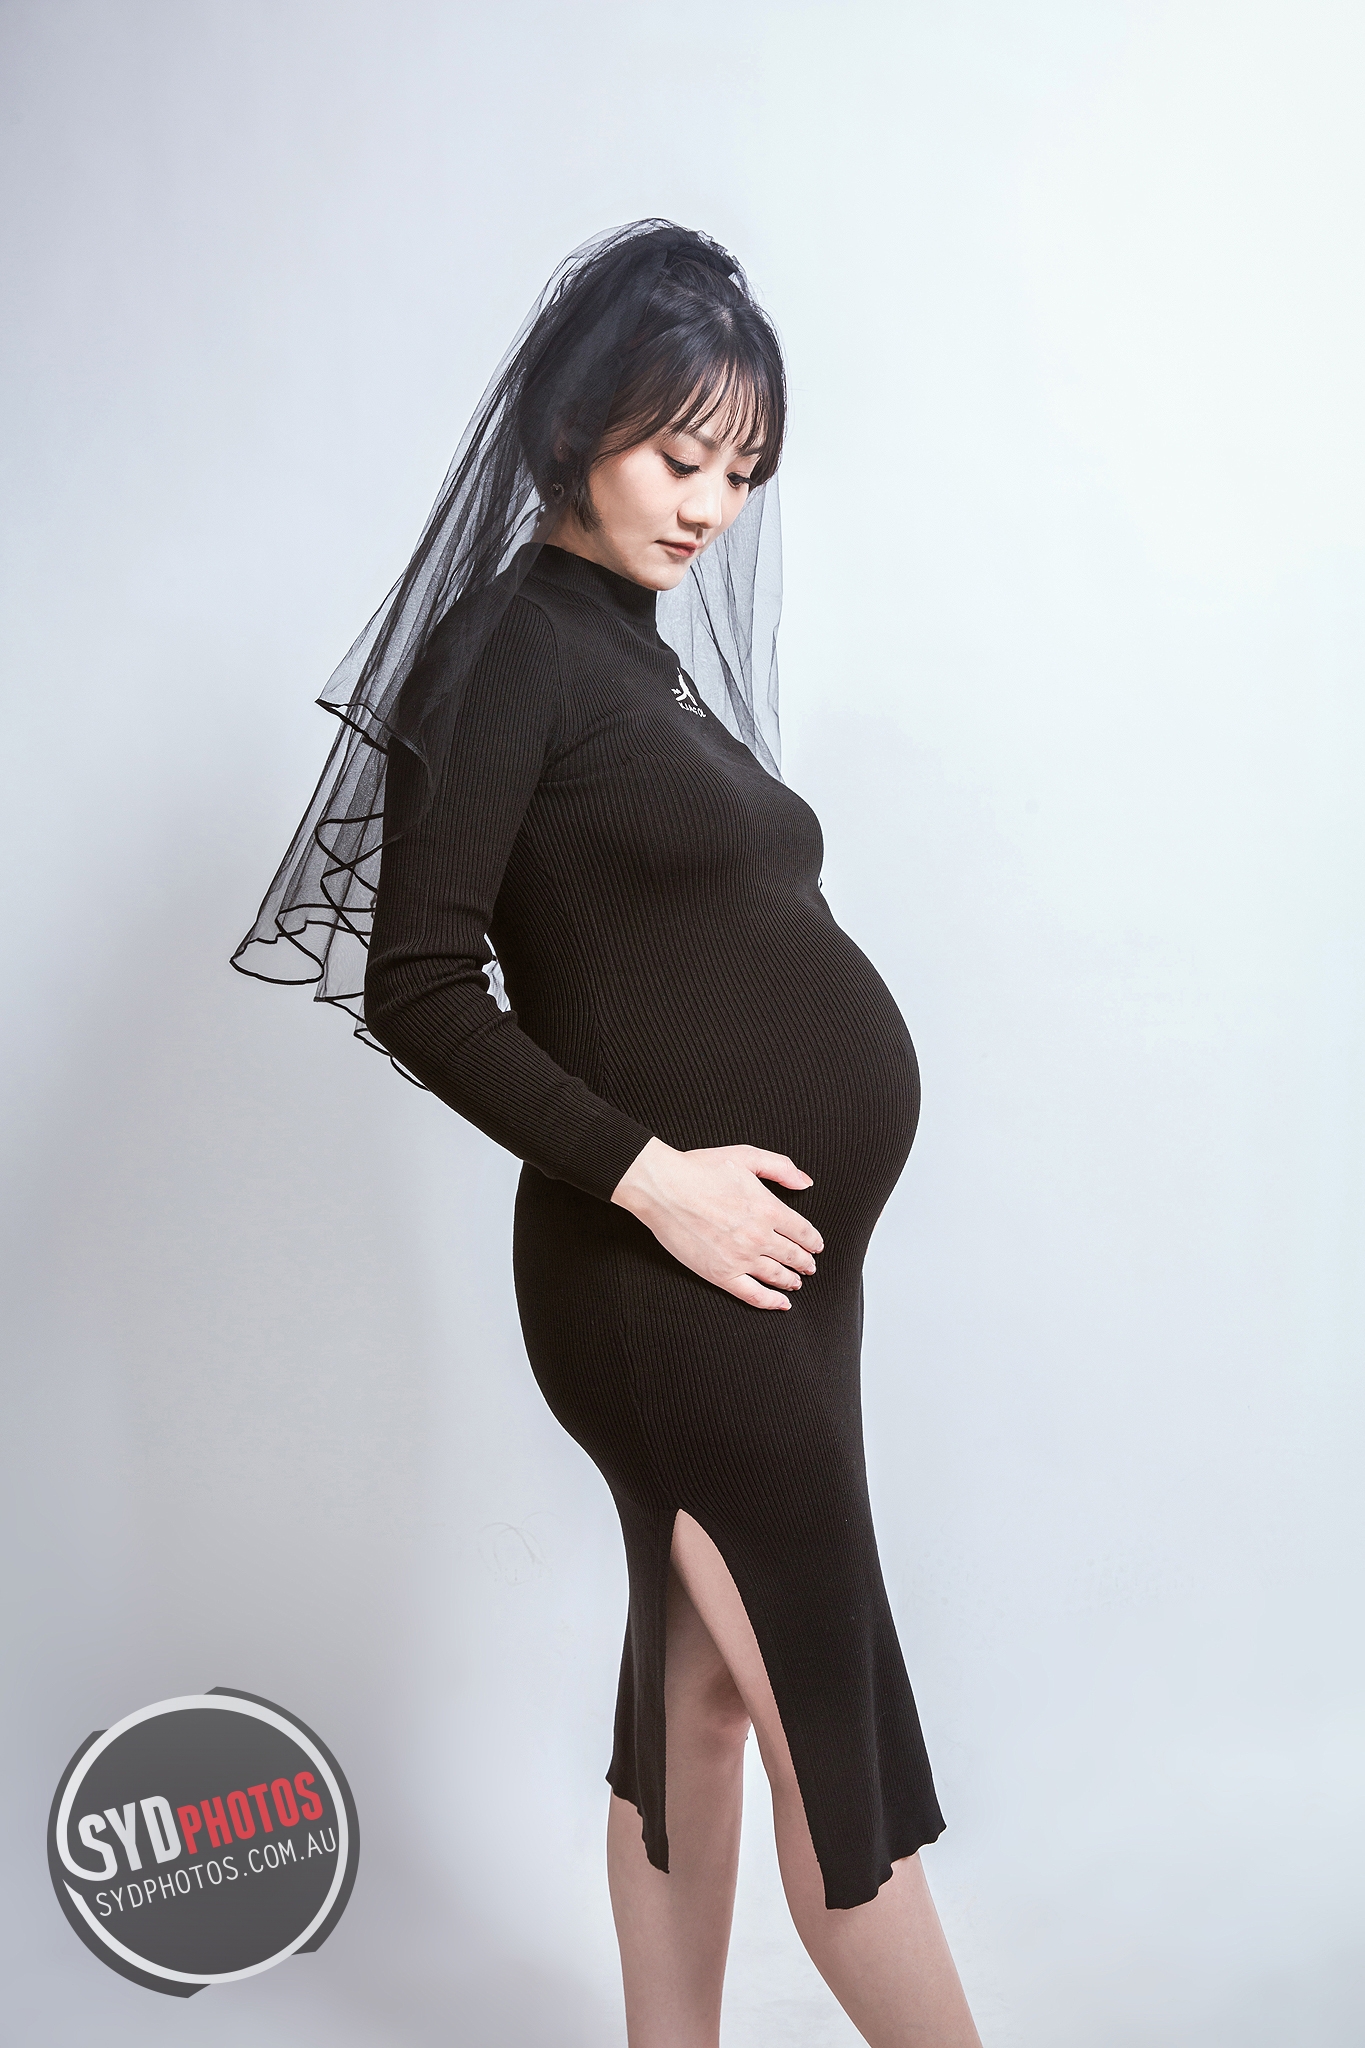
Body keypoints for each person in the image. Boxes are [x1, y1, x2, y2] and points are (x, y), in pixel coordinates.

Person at [234, 219, 982, 2048]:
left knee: (700, 1709)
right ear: (574, 430)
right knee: (834, 1747)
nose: (710, 506)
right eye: (678, 457)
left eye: (743, 471)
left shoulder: (633, 657)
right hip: (661, 1280)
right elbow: (418, 983)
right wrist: (660, 1184)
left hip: (764, 1279)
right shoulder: (508, 647)